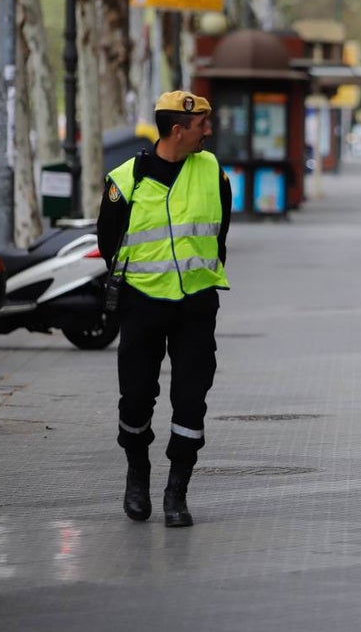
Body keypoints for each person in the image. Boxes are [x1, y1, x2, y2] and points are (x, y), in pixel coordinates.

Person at [97, 90, 231, 525]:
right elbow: (109, 243)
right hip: (142, 306)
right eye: (201, 125)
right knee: (136, 399)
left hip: (196, 304)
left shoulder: (213, 172)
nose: (208, 131)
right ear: (178, 130)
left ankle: (177, 491)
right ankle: (138, 472)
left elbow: (220, 233)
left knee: (191, 400)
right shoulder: (125, 179)